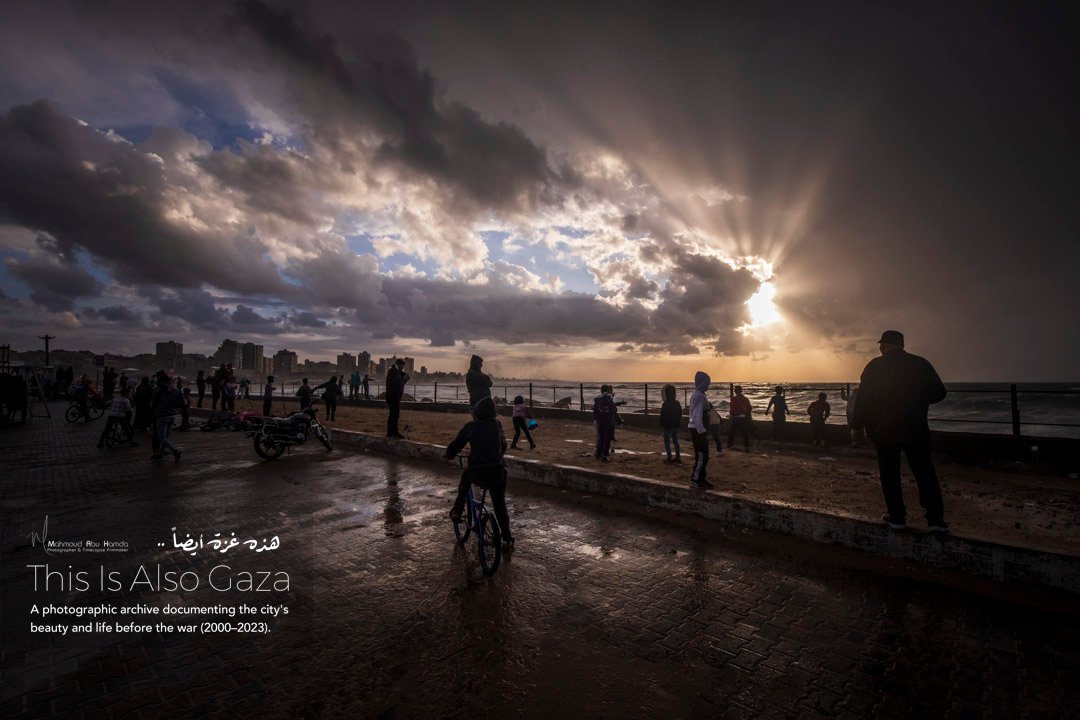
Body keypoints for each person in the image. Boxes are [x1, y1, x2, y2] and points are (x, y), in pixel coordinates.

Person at [852, 330, 948, 532]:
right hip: (915, 427)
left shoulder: (874, 366)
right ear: (902, 344)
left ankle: (896, 516)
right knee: (925, 472)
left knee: (889, 472)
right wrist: (917, 399)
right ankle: (935, 520)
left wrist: (856, 426)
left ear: (883, 345)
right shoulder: (921, 363)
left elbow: (863, 400)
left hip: (884, 429)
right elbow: (939, 392)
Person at [444, 397, 514, 548]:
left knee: (465, 476)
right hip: (498, 473)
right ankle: (507, 538)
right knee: (499, 504)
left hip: (478, 474)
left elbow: (456, 445)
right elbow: (503, 445)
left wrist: (448, 454)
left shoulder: (471, 426)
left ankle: (457, 509)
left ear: (477, 412)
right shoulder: (497, 425)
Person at [688, 372, 714, 489]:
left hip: (698, 430)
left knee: (704, 455)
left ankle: (701, 477)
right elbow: (697, 416)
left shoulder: (699, 394)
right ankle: (695, 479)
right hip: (698, 431)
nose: (708, 385)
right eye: (707, 383)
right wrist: (702, 432)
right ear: (702, 383)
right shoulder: (699, 396)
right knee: (702, 456)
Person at [150, 375, 184, 461]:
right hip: (172, 415)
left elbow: (153, 404)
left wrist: (155, 410)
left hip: (161, 415)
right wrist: (174, 406)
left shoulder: (158, 391)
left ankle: (175, 451)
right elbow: (183, 402)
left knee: (161, 436)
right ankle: (161, 453)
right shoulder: (176, 390)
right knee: (166, 436)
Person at [592, 384, 617, 461]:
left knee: (601, 437)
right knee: (607, 438)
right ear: (608, 391)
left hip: (599, 421)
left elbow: (595, 410)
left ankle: (598, 453)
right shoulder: (609, 399)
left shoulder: (597, 399)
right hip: (608, 421)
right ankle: (604, 456)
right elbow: (614, 410)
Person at [385, 359, 408, 438]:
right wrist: (405, 379)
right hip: (393, 396)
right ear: (399, 365)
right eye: (402, 366)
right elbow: (399, 383)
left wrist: (403, 375)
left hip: (393, 396)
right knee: (395, 415)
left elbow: (400, 379)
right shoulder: (393, 371)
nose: (403, 368)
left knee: (393, 414)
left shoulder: (394, 371)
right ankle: (394, 433)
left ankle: (390, 433)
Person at [660, 384, 682, 463]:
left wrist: (662, 425)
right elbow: (680, 413)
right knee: (676, 441)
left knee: (667, 442)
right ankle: (678, 457)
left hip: (667, 426)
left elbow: (663, 416)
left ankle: (669, 457)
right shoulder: (677, 403)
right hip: (675, 425)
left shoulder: (665, 404)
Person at [727, 385, 753, 451]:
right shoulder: (745, 399)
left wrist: (731, 415)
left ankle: (730, 445)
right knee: (744, 433)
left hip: (735, 418)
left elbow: (732, 410)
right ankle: (746, 447)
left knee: (732, 432)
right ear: (741, 391)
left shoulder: (733, 399)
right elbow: (750, 408)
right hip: (743, 417)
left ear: (735, 391)